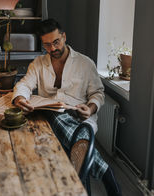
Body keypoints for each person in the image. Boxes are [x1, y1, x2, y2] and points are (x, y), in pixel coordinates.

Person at [12, 18, 122, 196]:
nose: (53, 48)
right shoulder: (38, 64)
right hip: (51, 115)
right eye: (47, 45)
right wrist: (19, 99)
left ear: (64, 37)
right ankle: (107, 176)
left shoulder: (85, 64)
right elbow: (24, 85)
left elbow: (98, 93)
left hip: (81, 117)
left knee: (78, 132)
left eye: (56, 42)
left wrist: (91, 108)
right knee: (58, 117)